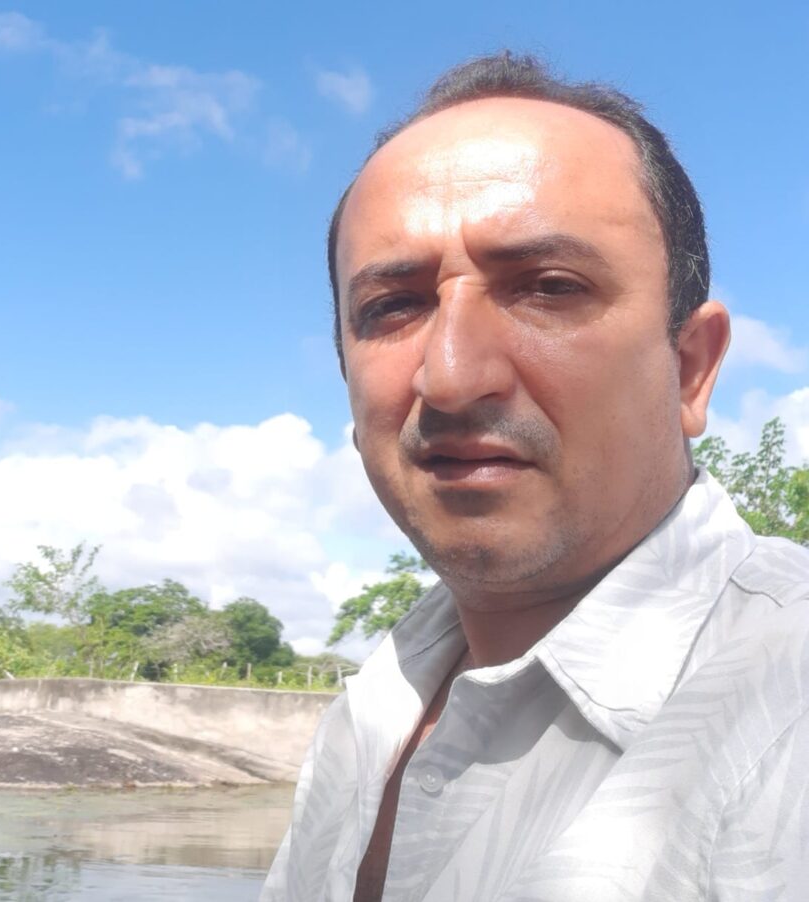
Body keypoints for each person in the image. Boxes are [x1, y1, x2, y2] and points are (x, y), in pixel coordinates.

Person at [261, 53, 809, 901]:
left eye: (549, 288)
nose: (450, 376)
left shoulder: (784, 715)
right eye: (392, 306)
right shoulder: (377, 702)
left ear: (691, 369)